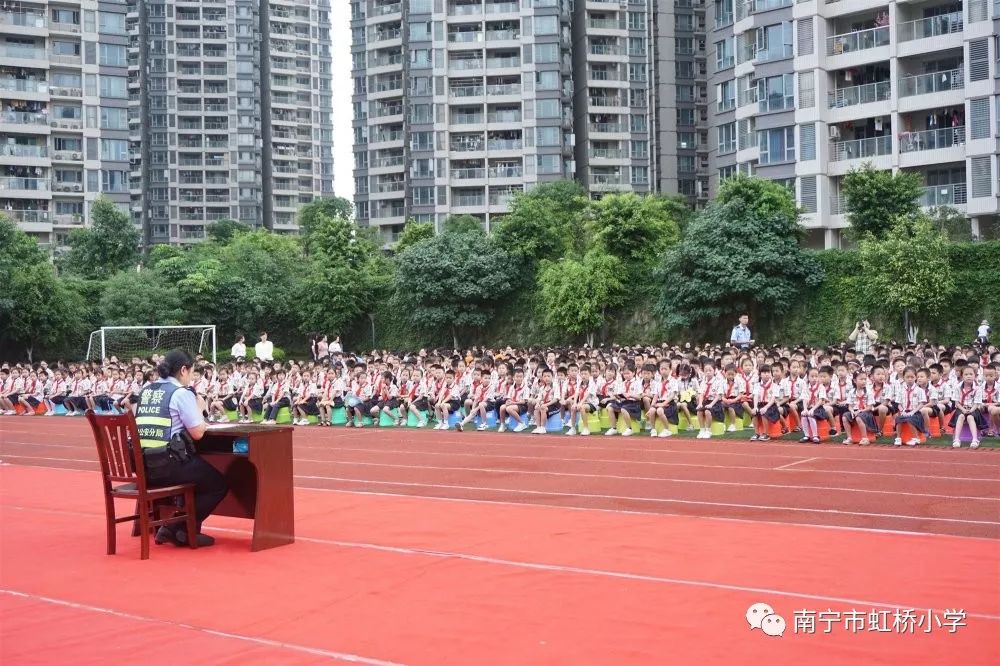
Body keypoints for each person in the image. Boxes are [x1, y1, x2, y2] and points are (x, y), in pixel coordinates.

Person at [134, 349, 228, 547]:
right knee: (217, 484)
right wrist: (201, 408)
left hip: (142, 465)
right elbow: (197, 433)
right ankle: (178, 528)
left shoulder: (146, 391)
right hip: (167, 465)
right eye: (193, 372)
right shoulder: (180, 393)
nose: (192, 377)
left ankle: (177, 528)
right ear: (184, 370)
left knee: (197, 471)